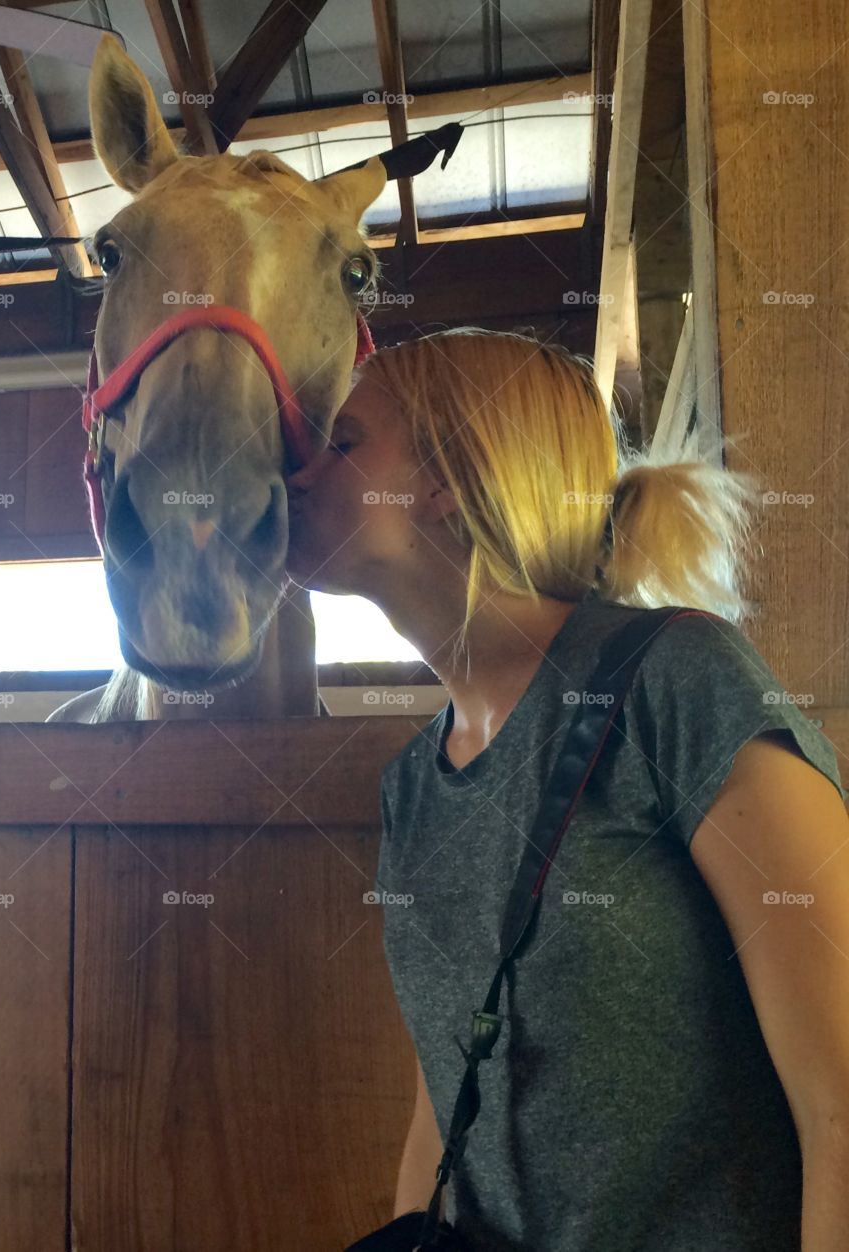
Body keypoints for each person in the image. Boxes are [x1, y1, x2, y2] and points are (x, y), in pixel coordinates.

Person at [284, 327, 849, 1252]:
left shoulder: (677, 680)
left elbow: (843, 1105)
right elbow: (445, 1092)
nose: (297, 477)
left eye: (343, 443)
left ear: (449, 482)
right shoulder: (411, 785)